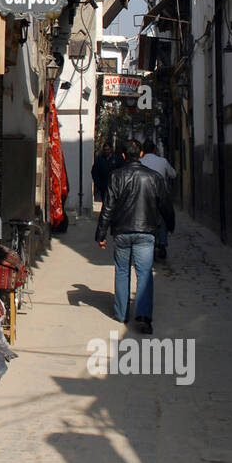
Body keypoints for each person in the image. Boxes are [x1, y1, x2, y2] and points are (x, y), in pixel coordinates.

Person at [95, 139, 175, 334]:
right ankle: (144, 317)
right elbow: (165, 205)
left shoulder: (116, 176)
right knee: (144, 273)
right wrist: (170, 225)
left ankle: (121, 313)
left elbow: (108, 207)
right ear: (140, 155)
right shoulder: (154, 177)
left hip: (122, 232)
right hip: (146, 232)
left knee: (122, 272)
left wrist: (101, 234)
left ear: (123, 156)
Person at [139, 139, 178, 260]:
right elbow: (173, 174)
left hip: (144, 197)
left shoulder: (139, 162)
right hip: (161, 196)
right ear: (155, 149)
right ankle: (162, 244)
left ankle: (149, 244)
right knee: (163, 221)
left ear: (143, 151)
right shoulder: (163, 161)